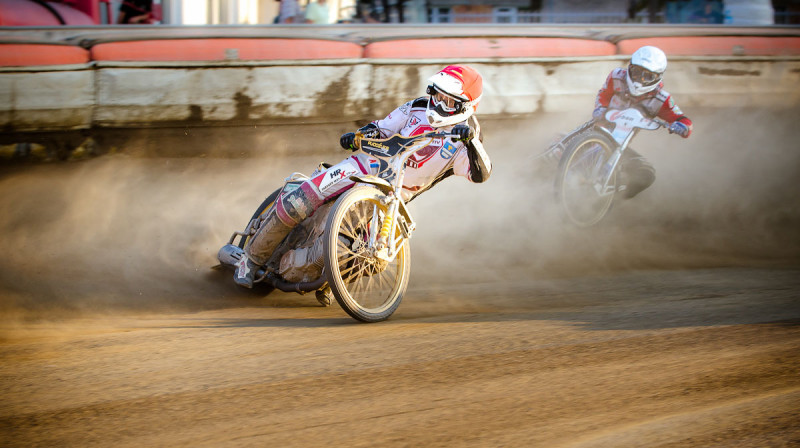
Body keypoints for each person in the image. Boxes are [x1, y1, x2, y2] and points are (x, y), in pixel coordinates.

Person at [234, 65, 491, 288]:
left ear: (465, 106)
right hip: (363, 166)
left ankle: (328, 281)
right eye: (436, 95)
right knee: (301, 200)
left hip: (392, 197)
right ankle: (250, 259)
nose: (437, 104)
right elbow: (380, 128)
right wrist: (359, 135)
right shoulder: (416, 107)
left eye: (448, 101)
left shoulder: (468, 136)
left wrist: (471, 143)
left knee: (371, 259)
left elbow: (480, 175)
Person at [590, 45, 693, 199]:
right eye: (636, 73)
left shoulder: (661, 100)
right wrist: (600, 108)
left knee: (646, 175)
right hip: (596, 133)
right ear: (629, 67)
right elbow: (603, 94)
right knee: (558, 153)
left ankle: (607, 200)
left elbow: (681, 119)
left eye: (648, 76)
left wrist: (683, 127)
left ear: (658, 77)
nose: (639, 80)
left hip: (619, 147)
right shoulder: (616, 77)